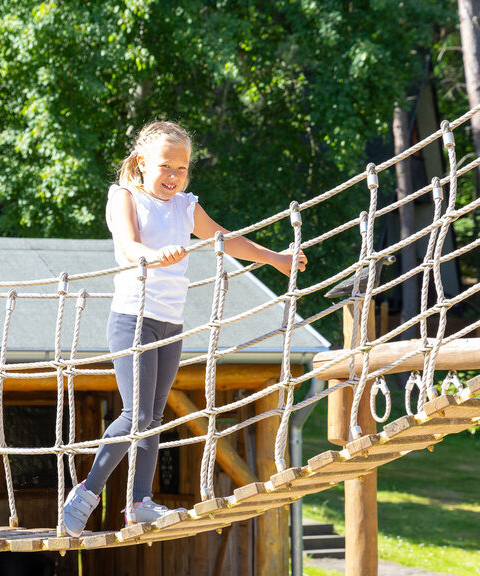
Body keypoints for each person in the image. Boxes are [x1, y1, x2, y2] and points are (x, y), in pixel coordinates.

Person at [62, 120, 307, 537]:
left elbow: (226, 240)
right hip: (131, 319)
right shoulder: (125, 196)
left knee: (154, 417)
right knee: (135, 413)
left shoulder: (185, 206)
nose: (174, 176)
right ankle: (86, 493)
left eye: (182, 168)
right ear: (141, 163)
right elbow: (128, 246)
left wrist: (275, 259)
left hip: (169, 324)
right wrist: (156, 256)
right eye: (165, 166)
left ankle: (139, 503)